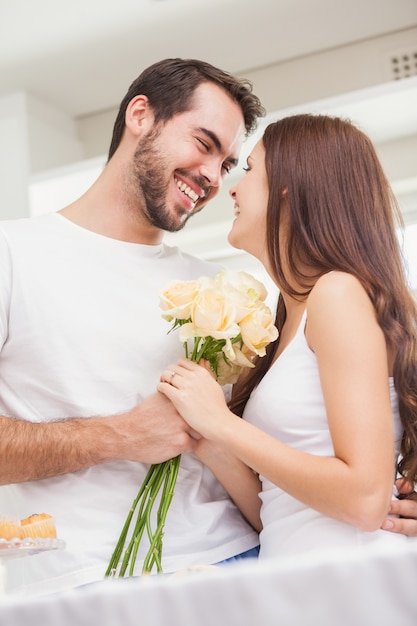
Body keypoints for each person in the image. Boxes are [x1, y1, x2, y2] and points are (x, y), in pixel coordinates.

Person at [0, 58, 266, 595]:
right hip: (87, 582)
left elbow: (270, 449)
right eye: (204, 143)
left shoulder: (224, 292)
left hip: (239, 563)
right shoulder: (12, 254)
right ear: (140, 115)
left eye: (228, 163)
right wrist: (121, 436)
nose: (214, 177)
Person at [158, 113, 417, 560]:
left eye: (250, 169)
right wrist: (212, 442)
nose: (232, 189)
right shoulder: (286, 316)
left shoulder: (336, 293)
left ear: (290, 188)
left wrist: (223, 424)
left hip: (354, 583)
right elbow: (279, 512)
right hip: (300, 582)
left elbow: (363, 501)